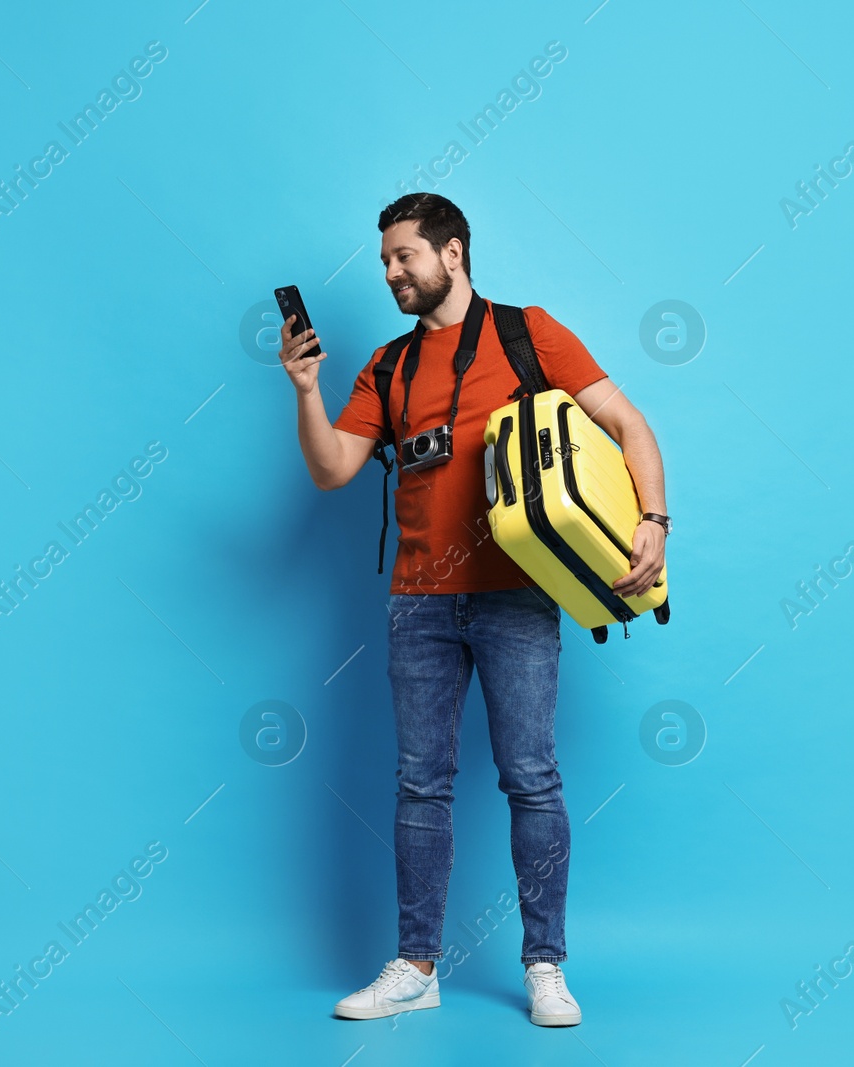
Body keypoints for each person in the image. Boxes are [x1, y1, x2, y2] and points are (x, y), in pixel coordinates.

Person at [280, 193, 669, 1026]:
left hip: (517, 598)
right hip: (416, 606)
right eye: (384, 261)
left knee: (531, 779)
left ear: (452, 253)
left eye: (403, 257)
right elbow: (331, 469)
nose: (390, 274)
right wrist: (307, 389)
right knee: (420, 785)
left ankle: (546, 964)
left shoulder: (528, 333)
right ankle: (415, 967)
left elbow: (627, 422)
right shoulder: (386, 367)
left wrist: (654, 520)